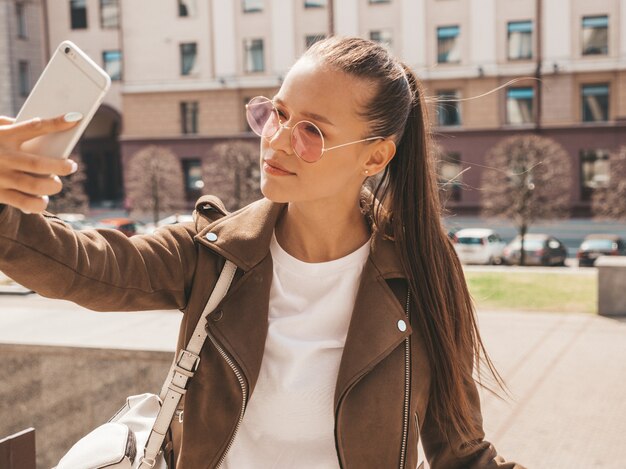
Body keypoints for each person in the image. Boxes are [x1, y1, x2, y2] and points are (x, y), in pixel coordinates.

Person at [0, 37, 525, 468]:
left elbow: (461, 452)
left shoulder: (422, 272)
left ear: (376, 156)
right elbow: (85, 266)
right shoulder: (212, 252)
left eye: (312, 131)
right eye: (277, 113)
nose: (275, 142)